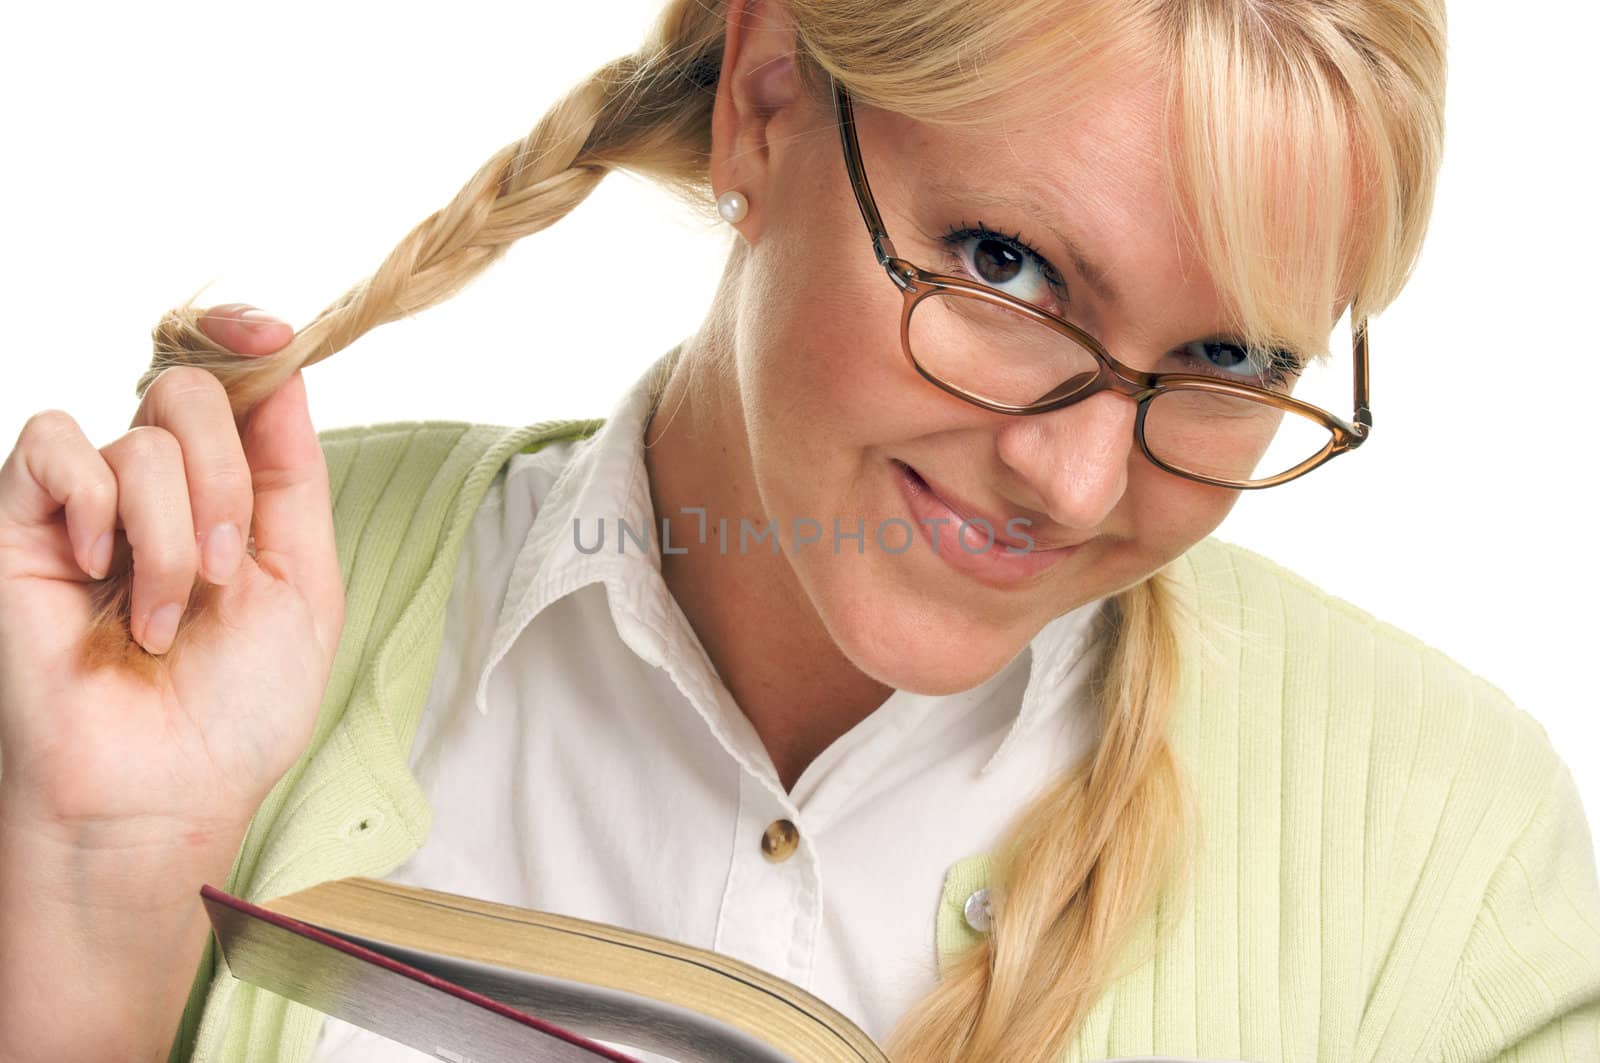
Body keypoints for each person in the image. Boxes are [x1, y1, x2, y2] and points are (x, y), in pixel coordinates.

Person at [1, 0, 1596, 1060]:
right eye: (1013, 265)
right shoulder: (167, 632)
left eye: (1236, 361)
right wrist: (89, 881)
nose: (1082, 483)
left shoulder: (1447, 861)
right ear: (769, 104)